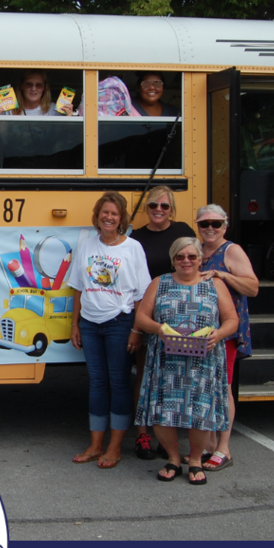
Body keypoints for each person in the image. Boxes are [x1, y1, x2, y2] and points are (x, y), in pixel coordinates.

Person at [134, 236, 238, 484]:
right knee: (163, 412)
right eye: (180, 256)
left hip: (204, 361)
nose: (186, 261)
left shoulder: (214, 284)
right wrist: (159, 329)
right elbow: (141, 318)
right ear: (173, 260)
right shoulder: (160, 283)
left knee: (200, 413)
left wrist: (219, 334)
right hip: (166, 359)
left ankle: (193, 459)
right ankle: (172, 458)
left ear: (200, 258)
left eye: (192, 256)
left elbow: (232, 320)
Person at [67, 191, 152, 468]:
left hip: (120, 322)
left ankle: (114, 447)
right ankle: (95, 444)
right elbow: (78, 287)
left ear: (122, 218)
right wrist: (75, 324)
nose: (109, 217)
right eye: (105, 212)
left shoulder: (133, 248)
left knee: (119, 383)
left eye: (114, 213)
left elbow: (141, 293)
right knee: (97, 384)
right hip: (90, 324)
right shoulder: (87, 245)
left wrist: (137, 330)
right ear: (97, 215)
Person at [129, 186, 197, 459]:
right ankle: (143, 434)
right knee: (146, 375)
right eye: (153, 205)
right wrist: (136, 326)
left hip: (182, 315)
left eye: (165, 206)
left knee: (177, 378)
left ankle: (168, 437)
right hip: (149, 313)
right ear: (147, 208)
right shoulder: (137, 237)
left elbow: (194, 265)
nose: (159, 210)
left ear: (172, 210)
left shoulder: (183, 232)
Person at [196, 204, 259, 471]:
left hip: (226, 332)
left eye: (216, 224)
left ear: (225, 225)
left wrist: (223, 274)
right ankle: (209, 444)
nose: (210, 228)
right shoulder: (197, 251)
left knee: (223, 388)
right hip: (200, 332)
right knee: (205, 387)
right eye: (204, 224)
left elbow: (253, 286)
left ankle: (224, 448)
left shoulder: (230, 251)